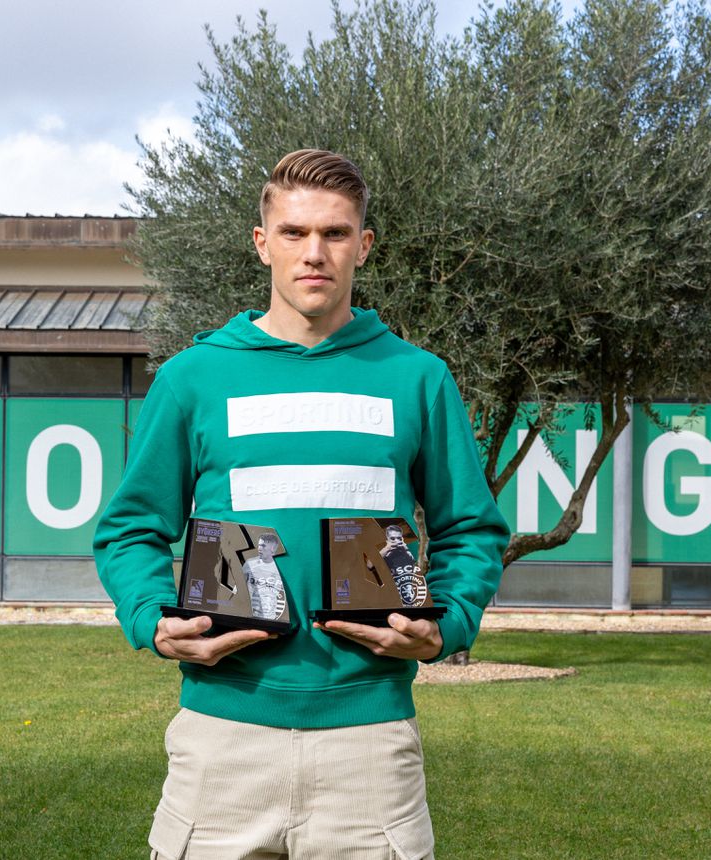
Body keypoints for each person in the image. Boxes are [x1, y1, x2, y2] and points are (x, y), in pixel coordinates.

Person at [93, 149, 510, 860]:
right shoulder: (194, 378)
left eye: (335, 233)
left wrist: (449, 624)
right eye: (294, 232)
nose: (314, 252)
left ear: (363, 245)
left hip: (370, 747)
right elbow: (131, 527)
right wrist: (152, 621)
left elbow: (471, 528)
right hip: (222, 740)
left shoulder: (418, 378)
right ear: (263, 243)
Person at [241, 533, 286, 620]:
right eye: (259, 545)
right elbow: (238, 587)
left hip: (273, 618)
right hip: (250, 617)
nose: (259, 548)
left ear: (273, 548)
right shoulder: (250, 564)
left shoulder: (282, 568)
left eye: (263, 546)